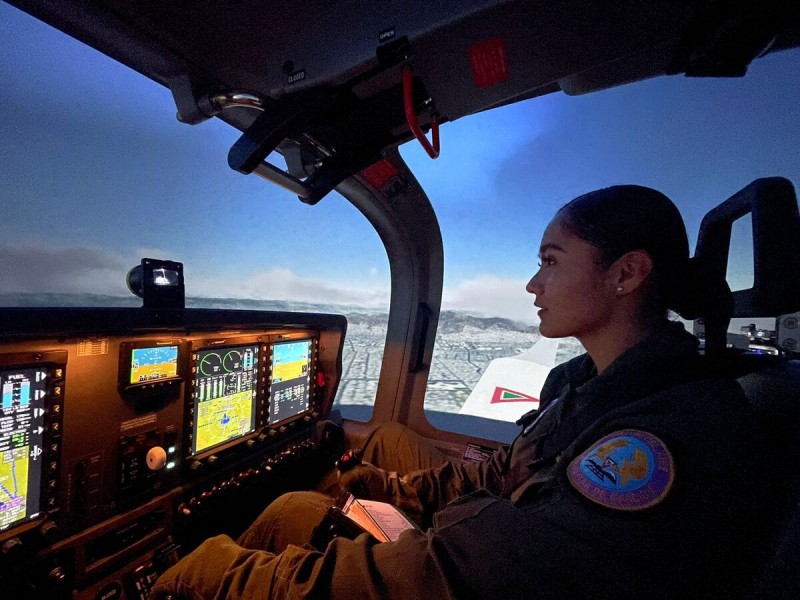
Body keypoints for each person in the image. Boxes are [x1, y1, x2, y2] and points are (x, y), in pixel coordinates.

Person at [151, 185, 776, 600]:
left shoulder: (658, 438)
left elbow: (469, 575)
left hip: (475, 573)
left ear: (627, 273)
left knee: (234, 549)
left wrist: (226, 575)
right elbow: (505, 475)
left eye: (551, 261)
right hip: (478, 553)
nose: (533, 284)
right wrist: (388, 490)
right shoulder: (586, 386)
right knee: (318, 495)